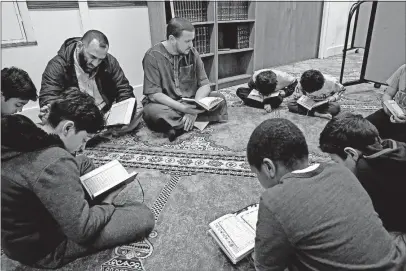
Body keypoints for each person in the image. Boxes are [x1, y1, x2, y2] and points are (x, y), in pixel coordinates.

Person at [1, 88, 155, 269]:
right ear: (67, 127)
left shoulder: (24, 130)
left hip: (17, 237)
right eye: (83, 139)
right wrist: (106, 204)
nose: (83, 147)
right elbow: (82, 232)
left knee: (83, 162)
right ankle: (87, 208)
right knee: (142, 215)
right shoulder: (55, 160)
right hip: (44, 249)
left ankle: (80, 207)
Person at [247, 118, 406, 270]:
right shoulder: (341, 171)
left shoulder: (273, 200)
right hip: (397, 261)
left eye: (256, 173)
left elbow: (266, 266)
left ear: (269, 167)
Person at [142, 17, 228, 141]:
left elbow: (205, 84)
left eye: (192, 40)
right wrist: (183, 109)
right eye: (187, 41)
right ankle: (190, 122)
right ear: (172, 39)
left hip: (191, 101)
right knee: (150, 111)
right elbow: (154, 95)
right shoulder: (152, 56)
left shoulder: (192, 52)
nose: (191, 45)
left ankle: (176, 126)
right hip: (167, 104)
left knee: (219, 98)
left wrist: (194, 108)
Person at [319, 112, 406, 233]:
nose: (338, 168)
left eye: (336, 161)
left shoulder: (364, 170)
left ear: (351, 153)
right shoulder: (393, 145)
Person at [39, 29, 138, 132]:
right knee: (55, 125)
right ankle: (97, 132)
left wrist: (123, 113)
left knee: (137, 109)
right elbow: (48, 97)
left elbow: (124, 88)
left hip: (106, 110)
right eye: (92, 57)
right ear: (79, 46)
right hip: (79, 115)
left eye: (100, 59)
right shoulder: (57, 65)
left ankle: (101, 131)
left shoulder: (109, 61)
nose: (95, 63)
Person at [366, 64, 406, 142]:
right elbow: (388, 94)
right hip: (392, 114)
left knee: (395, 145)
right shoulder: (404, 69)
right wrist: (388, 110)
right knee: (359, 129)